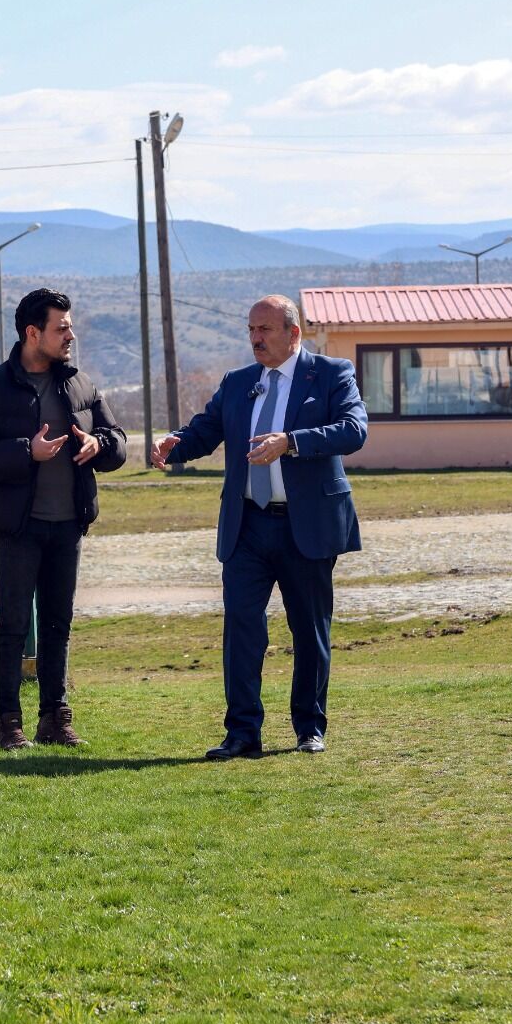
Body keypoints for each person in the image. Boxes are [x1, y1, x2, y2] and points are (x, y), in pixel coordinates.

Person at [151, 295, 366, 760]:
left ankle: (309, 727)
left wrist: (291, 442)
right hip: (247, 525)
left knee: (309, 630)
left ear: (293, 333)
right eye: (251, 329)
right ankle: (243, 732)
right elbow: (205, 432)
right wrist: (175, 443)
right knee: (242, 628)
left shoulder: (331, 373)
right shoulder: (238, 382)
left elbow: (354, 430)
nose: (255, 338)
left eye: (265, 329)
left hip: (304, 526)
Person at [0, 288, 128, 749]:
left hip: (68, 524)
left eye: (70, 326)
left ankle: (55, 718)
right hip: (16, 527)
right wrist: (24, 451)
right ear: (33, 333)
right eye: (61, 327)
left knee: (57, 624)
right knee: (13, 625)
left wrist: (99, 446)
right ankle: (8, 722)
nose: (71, 334)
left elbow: (118, 440)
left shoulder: (80, 384)